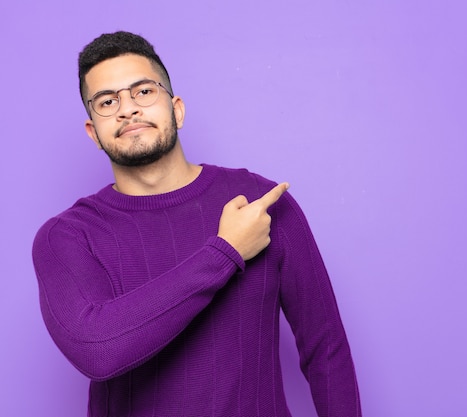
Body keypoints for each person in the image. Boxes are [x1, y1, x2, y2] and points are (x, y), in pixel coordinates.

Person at [32, 31, 361, 417]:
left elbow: (326, 349)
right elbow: (97, 351)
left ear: (178, 109)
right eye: (107, 101)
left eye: (143, 92)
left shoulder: (262, 204)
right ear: (94, 133)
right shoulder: (67, 236)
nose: (127, 109)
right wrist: (226, 253)